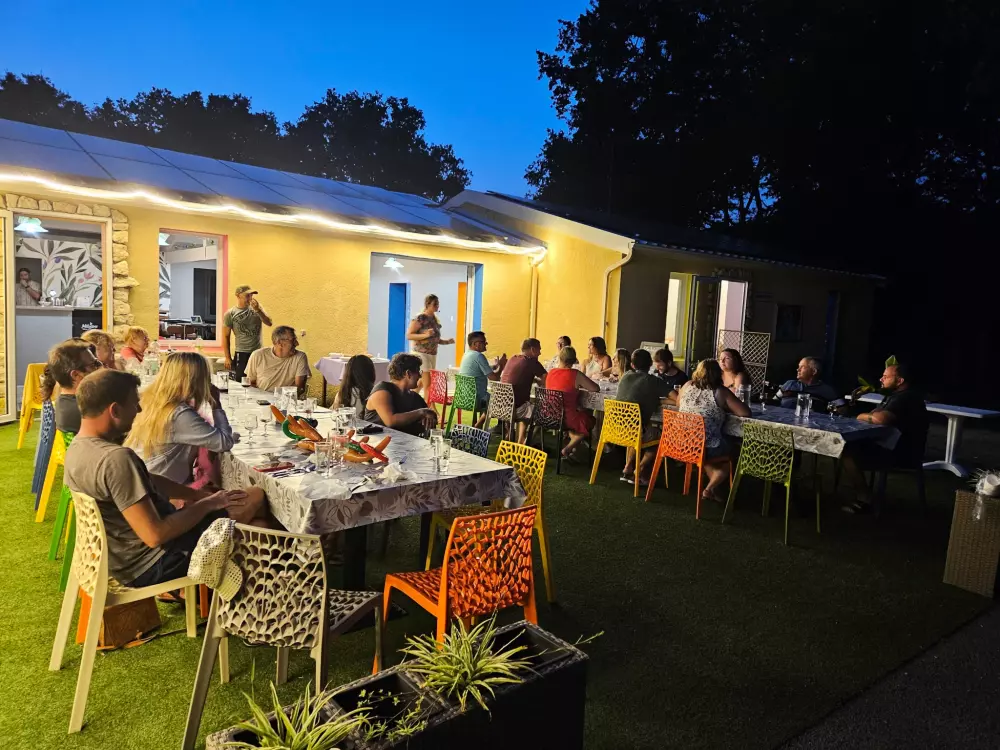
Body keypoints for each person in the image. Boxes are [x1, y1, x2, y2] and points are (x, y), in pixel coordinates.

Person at [63, 369, 268, 587]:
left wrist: (196, 494)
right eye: (134, 404)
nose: (140, 409)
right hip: (154, 562)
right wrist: (209, 503)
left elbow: (149, 479)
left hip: (121, 558)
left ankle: (235, 597)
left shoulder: (78, 448)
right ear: (114, 410)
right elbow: (155, 535)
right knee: (256, 497)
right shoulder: (116, 459)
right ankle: (259, 597)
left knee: (260, 526)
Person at [125, 352, 234, 486]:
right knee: (251, 496)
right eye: (206, 377)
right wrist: (215, 403)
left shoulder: (148, 400)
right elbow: (224, 442)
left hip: (143, 480)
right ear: (194, 379)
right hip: (165, 490)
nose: (208, 382)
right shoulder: (179, 414)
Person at [840, 362, 930, 514]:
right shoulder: (894, 396)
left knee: (846, 451)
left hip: (902, 452)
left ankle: (864, 498)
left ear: (900, 381)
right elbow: (876, 413)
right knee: (848, 444)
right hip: (890, 444)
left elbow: (881, 419)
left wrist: (860, 416)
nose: (881, 380)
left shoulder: (905, 398)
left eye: (886, 377)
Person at [678, 359, 752, 502]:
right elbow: (745, 413)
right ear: (718, 374)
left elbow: (678, 403)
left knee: (712, 445)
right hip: (701, 447)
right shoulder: (720, 392)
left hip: (679, 444)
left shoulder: (687, 386)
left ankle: (714, 488)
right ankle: (711, 488)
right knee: (734, 449)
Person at [616, 349, 674, 486]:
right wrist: (661, 401)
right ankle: (640, 470)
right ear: (650, 365)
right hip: (636, 431)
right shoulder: (654, 381)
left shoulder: (625, 376)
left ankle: (628, 466)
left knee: (639, 429)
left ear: (633, 365)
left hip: (616, 428)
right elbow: (677, 399)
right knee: (661, 437)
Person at [364, 353, 439, 436]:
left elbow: (429, 414)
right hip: (378, 445)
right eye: (418, 371)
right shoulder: (382, 390)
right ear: (408, 373)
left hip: (405, 446)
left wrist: (431, 416)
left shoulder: (415, 398)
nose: (420, 376)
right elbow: (390, 421)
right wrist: (421, 412)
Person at [545, 346, 599, 458]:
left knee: (578, 416)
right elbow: (595, 388)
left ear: (560, 358)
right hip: (566, 418)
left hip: (549, 415)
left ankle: (574, 444)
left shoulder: (551, 372)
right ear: (574, 360)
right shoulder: (575, 374)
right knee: (590, 420)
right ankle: (570, 447)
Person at [41, 339, 104, 434]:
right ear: (75, 375)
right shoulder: (86, 411)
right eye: (94, 364)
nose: (100, 367)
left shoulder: (66, 402)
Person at [407, 294, 455, 397]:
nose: (437, 306)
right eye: (435, 304)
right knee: (428, 384)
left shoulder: (434, 319)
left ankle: (410, 400)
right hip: (421, 353)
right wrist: (425, 334)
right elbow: (409, 335)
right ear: (427, 304)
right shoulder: (420, 318)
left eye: (438, 304)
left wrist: (447, 342)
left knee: (421, 382)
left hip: (432, 354)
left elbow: (435, 339)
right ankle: (431, 409)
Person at [500, 338, 547, 443]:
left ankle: (517, 436)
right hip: (516, 409)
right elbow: (546, 379)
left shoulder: (513, 358)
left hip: (501, 406)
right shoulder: (531, 361)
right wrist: (541, 382)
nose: (540, 353)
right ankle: (527, 441)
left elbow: (516, 376)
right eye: (539, 349)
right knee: (541, 412)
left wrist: (533, 379)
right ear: (533, 349)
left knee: (527, 405)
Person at [223, 285, 272, 381]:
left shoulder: (257, 308)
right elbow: (225, 336)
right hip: (241, 353)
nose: (250, 298)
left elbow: (269, 323)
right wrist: (227, 357)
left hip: (258, 352)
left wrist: (258, 310)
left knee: (259, 381)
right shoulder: (230, 313)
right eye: (247, 295)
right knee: (241, 381)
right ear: (238, 296)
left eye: (251, 295)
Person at [245, 325, 310, 396]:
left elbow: (300, 388)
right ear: (280, 343)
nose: (297, 343)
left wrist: (278, 400)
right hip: (262, 401)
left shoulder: (300, 357)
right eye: (293, 340)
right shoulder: (258, 355)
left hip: (286, 402)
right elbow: (250, 383)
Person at [459, 331, 507, 425]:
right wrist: (501, 366)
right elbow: (494, 378)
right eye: (484, 342)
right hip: (476, 400)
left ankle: (477, 426)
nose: (486, 344)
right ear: (476, 344)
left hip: (463, 398)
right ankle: (501, 429)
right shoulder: (479, 356)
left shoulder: (467, 354)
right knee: (504, 400)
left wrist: (494, 366)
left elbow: (480, 368)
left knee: (493, 399)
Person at [332, 355, 377, 419]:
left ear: (348, 372)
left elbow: (334, 415)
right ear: (371, 372)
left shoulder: (342, 394)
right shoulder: (377, 394)